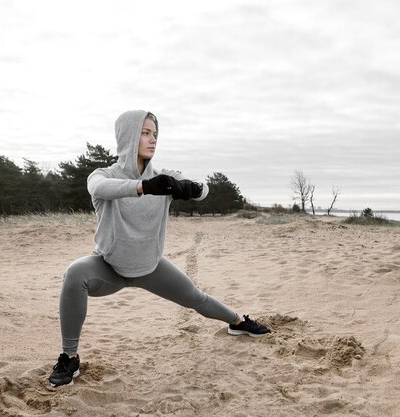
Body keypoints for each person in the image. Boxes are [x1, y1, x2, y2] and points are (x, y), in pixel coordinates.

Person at [49, 110, 271, 387]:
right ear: (127, 137)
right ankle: (69, 357)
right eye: (145, 133)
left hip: (150, 267)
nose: (152, 140)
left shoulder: (164, 177)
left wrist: (190, 189)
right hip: (108, 267)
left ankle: (237, 322)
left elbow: (204, 192)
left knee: (196, 298)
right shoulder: (103, 174)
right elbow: (101, 188)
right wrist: (144, 187)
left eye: (155, 134)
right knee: (75, 273)